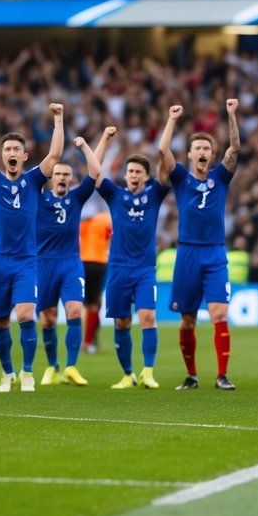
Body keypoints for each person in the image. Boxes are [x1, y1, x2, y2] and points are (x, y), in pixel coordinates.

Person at [0, 103, 64, 393]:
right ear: (3, 155)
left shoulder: (34, 179)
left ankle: (27, 372)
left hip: (26, 260)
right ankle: (7, 373)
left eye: (16, 150)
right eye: (7, 149)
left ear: (24, 156)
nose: (11, 153)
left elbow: (55, 155)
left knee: (25, 314)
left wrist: (59, 118)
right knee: (0, 321)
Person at [158, 100, 240, 391]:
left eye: (207, 148)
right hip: (188, 253)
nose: (203, 152)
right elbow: (162, 152)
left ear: (211, 154)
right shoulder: (180, 177)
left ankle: (221, 375)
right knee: (187, 321)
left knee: (220, 314)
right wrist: (171, 120)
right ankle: (191, 376)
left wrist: (230, 115)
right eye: (199, 149)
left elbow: (234, 150)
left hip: (215, 252)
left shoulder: (221, 176)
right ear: (190, 154)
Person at [94, 127, 170, 390]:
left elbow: (165, 162)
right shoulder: (116, 195)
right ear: (125, 175)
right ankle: (128, 374)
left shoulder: (154, 195)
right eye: (130, 171)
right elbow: (94, 172)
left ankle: (148, 371)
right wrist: (104, 139)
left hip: (145, 269)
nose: (134, 174)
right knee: (122, 321)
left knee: (148, 317)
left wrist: (169, 122)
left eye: (139, 171)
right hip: (118, 269)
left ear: (146, 176)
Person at [35, 131, 105, 386]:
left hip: (71, 262)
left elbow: (96, 173)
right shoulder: (38, 198)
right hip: (43, 263)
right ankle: (52, 366)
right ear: (51, 179)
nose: (62, 178)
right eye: (58, 175)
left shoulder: (76, 197)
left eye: (66, 175)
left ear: (71, 179)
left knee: (75, 310)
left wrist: (87, 146)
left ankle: (71, 366)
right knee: (48, 318)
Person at [79, 209, 112, 354]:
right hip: (98, 262)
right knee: (93, 304)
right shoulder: (106, 218)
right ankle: (87, 342)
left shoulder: (82, 222)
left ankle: (91, 340)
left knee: (90, 304)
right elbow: (110, 237)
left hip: (82, 261)